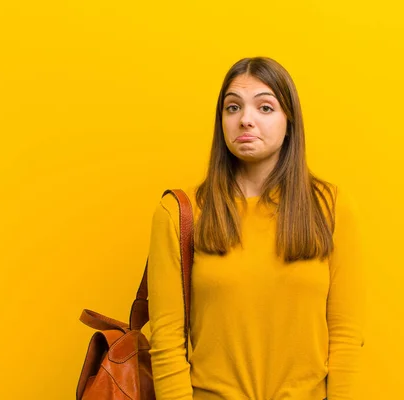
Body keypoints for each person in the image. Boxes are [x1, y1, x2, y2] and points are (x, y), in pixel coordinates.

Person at [147, 56, 365, 400]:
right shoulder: (178, 213)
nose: (245, 120)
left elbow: (345, 334)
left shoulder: (331, 207)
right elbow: (167, 340)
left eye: (265, 108)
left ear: (289, 121)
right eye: (232, 108)